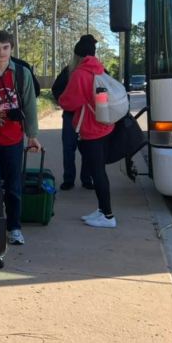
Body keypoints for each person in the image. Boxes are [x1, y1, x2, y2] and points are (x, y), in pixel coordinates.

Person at [0, 30, 41, 246]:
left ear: (11, 49)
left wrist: (32, 136)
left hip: (13, 140)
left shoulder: (22, 74)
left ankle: (14, 228)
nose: (1, 52)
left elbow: (30, 105)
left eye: (5, 48)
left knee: (13, 186)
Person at [58, 34, 117, 228]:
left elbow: (68, 101)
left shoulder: (80, 74)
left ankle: (108, 215)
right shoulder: (99, 70)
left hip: (90, 129)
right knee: (98, 170)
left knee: (98, 172)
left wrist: (64, 101)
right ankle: (102, 210)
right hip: (104, 126)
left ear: (78, 55)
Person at [52, 54, 94, 191]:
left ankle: (86, 179)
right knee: (69, 148)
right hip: (71, 115)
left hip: (88, 116)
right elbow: (56, 88)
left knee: (87, 149)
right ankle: (69, 179)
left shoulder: (96, 70)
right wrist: (64, 101)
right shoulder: (69, 71)